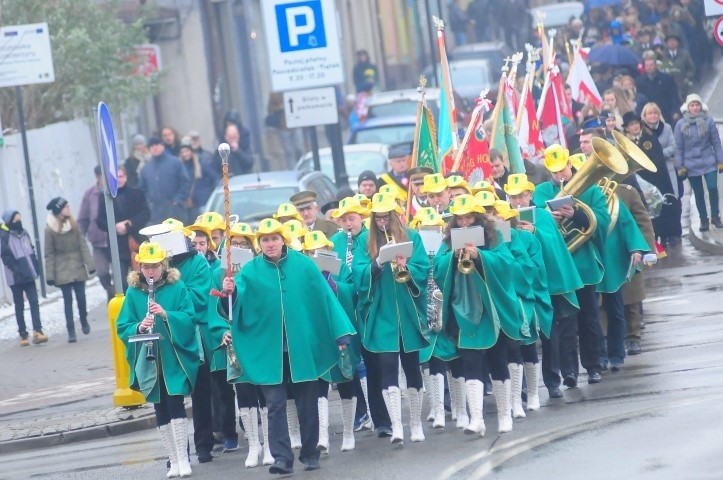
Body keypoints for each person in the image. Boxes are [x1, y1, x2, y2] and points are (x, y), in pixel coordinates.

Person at [220, 218, 355, 474]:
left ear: (283, 240)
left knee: (307, 402)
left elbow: (324, 298)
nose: (270, 244)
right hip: (270, 351)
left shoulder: (304, 265)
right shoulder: (249, 271)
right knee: (275, 405)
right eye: (265, 240)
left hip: (302, 347)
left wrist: (340, 334)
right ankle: (282, 458)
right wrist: (231, 292)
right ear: (259, 244)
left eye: (274, 238)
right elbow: (236, 307)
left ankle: (310, 452)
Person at [434, 194, 523, 434]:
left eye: (468, 217)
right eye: (459, 219)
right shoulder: (449, 240)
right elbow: (437, 268)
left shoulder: (495, 237)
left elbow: (507, 265)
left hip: (491, 309)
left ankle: (505, 415)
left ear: (479, 218)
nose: (463, 223)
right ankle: (477, 419)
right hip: (463, 309)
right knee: (470, 361)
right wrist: (453, 257)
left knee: (497, 360)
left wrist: (479, 256)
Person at [351, 193, 430, 445]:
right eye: (378, 217)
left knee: (412, 367)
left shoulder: (412, 236)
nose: (383, 221)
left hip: (407, 312)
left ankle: (416, 424)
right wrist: (376, 264)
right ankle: (396, 425)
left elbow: (423, 268)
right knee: (386, 366)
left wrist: (406, 267)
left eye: (387, 216)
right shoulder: (364, 239)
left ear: (395, 216)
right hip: (382, 311)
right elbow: (357, 272)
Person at [116, 241, 199, 478]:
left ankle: (184, 459)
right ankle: (172, 460)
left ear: (163, 265)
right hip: (150, 358)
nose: (150, 272)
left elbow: (189, 316)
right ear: (139, 267)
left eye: (154, 266)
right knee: (159, 407)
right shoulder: (134, 292)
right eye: (145, 267)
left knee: (175, 403)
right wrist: (140, 327)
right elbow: (123, 326)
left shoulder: (177, 286)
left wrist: (166, 315)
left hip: (172, 356)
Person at [533, 145, 609, 387]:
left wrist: (576, 214)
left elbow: (603, 223)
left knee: (589, 317)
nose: (560, 176)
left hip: (583, 263)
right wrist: (548, 217)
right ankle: (569, 372)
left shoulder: (591, 189)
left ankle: (594, 365)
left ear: (570, 164)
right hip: (559, 267)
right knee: (564, 321)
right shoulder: (541, 192)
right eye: (554, 172)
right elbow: (531, 224)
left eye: (563, 170)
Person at [505, 174, 583, 400]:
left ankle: (555, 380)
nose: (517, 201)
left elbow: (553, 243)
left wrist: (535, 232)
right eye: (513, 196)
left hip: (549, 283)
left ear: (529, 195)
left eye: (521, 195)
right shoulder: (505, 219)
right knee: (522, 334)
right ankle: (522, 384)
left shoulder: (542, 215)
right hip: (524, 285)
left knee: (553, 333)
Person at [330, 197, 391, 437]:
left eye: (352, 219)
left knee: (375, 366)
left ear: (361, 218)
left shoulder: (370, 238)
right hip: (345, 308)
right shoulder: (334, 241)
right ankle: (358, 412)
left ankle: (382, 419)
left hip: (369, 306)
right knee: (348, 362)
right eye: (343, 220)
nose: (348, 224)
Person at [302, 230, 362, 452]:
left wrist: (333, 285)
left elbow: (352, 290)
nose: (317, 255)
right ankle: (322, 436)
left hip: (341, 330)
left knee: (347, 378)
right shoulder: (304, 272)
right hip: (318, 335)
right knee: (319, 385)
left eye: (322, 251)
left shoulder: (340, 269)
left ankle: (348, 433)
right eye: (312, 252)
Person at [622, 111, 682, 245]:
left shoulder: (650, 138)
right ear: (627, 128)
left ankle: (667, 235)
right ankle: (652, 238)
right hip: (639, 181)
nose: (635, 127)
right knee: (646, 210)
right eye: (631, 125)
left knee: (662, 207)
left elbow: (658, 159)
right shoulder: (626, 143)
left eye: (636, 123)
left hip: (656, 178)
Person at [45, 197, 95, 343]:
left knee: (81, 298)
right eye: (66, 207)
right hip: (61, 270)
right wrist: (50, 275)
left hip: (77, 266)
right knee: (68, 301)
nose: (69, 208)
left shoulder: (74, 224)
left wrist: (90, 265)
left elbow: (82, 245)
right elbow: (49, 254)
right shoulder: (50, 229)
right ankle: (71, 331)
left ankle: (84, 320)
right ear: (59, 210)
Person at [674, 93, 723, 232]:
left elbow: (716, 142)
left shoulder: (708, 121)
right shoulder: (680, 124)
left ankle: (715, 216)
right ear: (687, 107)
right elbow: (679, 147)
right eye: (692, 105)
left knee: (713, 188)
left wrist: (720, 160)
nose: (695, 108)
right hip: (691, 164)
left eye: (697, 105)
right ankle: (703, 219)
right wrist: (680, 165)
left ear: (701, 106)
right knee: (698, 193)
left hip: (708, 161)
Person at [97, 166, 151, 291]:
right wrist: (114, 226)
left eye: (120, 176)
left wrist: (129, 224)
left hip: (136, 243)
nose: (118, 180)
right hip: (117, 246)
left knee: (141, 280)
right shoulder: (105, 197)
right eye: (115, 178)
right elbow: (100, 220)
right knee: (120, 282)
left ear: (125, 177)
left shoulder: (137, 193)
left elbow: (145, 213)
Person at [0, 210, 47, 346]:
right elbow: (6, 257)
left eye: (19, 218)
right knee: (19, 305)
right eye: (16, 219)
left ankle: (38, 330)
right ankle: (23, 334)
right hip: (16, 278)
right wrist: (17, 270)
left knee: (34, 302)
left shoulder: (24, 233)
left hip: (29, 274)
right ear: (9, 221)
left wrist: (35, 265)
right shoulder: (4, 236)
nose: (18, 221)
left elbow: (30, 250)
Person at [78, 166, 114, 300]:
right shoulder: (90, 194)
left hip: (115, 240)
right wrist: (80, 235)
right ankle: (111, 291)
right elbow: (83, 217)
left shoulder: (114, 191)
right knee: (102, 272)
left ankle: (118, 299)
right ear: (98, 177)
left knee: (119, 274)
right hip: (98, 241)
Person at [139, 136, 191, 224]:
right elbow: (142, 189)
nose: (155, 148)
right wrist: (149, 203)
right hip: (156, 215)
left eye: (157, 145)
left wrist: (177, 200)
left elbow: (185, 183)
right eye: (152, 146)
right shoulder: (146, 168)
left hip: (176, 213)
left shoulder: (175, 163)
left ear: (162, 146)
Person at [641, 102, 681, 199]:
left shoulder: (666, 127)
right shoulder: (642, 130)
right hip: (650, 169)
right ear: (644, 116)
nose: (653, 115)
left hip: (667, 166)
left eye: (655, 113)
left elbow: (673, 146)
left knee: (672, 196)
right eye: (650, 113)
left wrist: (658, 154)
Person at [179, 136, 220, 224]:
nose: (185, 154)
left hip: (203, 202)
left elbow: (215, 177)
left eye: (187, 151)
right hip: (189, 204)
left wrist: (214, 193)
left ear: (191, 151)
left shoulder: (201, 163)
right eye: (182, 152)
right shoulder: (179, 166)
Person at [637, 51, 682, 126]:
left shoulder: (666, 78)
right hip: (649, 117)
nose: (649, 67)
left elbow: (674, 96)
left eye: (651, 65)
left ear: (656, 65)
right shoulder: (640, 81)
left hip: (666, 114)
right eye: (647, 65)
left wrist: (675, 111)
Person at [661, 34, 695, 99]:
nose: (672, 43)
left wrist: (687, 78)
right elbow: (662, 70)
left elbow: (691, 68)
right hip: (670, 88)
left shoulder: (684, 54)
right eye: (669, 41)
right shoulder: (663, 56)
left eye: (674, 41)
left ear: (678, 42)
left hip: (684, 86)